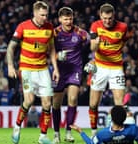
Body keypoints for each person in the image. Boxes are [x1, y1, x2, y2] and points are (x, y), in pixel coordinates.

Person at [6, 1, 59, 144]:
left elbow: (52, 49)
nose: (44, 18)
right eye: (42, 15)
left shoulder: (49, 27)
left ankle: (42, 137)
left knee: (47, 104)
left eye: (46, 15)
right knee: (28, 100)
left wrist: (55, 68)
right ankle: (17, 127)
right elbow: (11, 48)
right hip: (26, 69)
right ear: (35, 13)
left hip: (43, 69)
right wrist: (11, 66)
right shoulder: (23, 27)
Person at [85, 3, 130, 136]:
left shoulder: (123, 27)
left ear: (114, 16)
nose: (107, 21)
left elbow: (124, 41)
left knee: (119, 104)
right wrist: (96, 44)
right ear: (100, 16)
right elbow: (92, 48)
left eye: (109, 18)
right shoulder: (95, 26)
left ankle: (117, 132)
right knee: (93, 104)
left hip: (116, 68)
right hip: (100, 68)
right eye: (104, 18)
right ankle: (94, 132)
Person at [52, 7, 90, 144]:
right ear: (60, 19)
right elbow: (46, 52)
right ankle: (56, 134)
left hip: (75, 70)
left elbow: (92, 47)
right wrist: (56, 56)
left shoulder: (81, 33)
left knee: (73, 99)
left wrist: (92, 60)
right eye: (66, 19)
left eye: (70, 18)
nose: (68, 21)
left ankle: (68, 132)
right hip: (59, 71)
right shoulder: (54, 33)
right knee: (56, 103)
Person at [71, 105, 138, 144]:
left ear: (111, 118)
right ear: (125, 118)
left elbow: (90, 143)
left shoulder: (102, 134)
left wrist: (80, 131)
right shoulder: (134, 129)